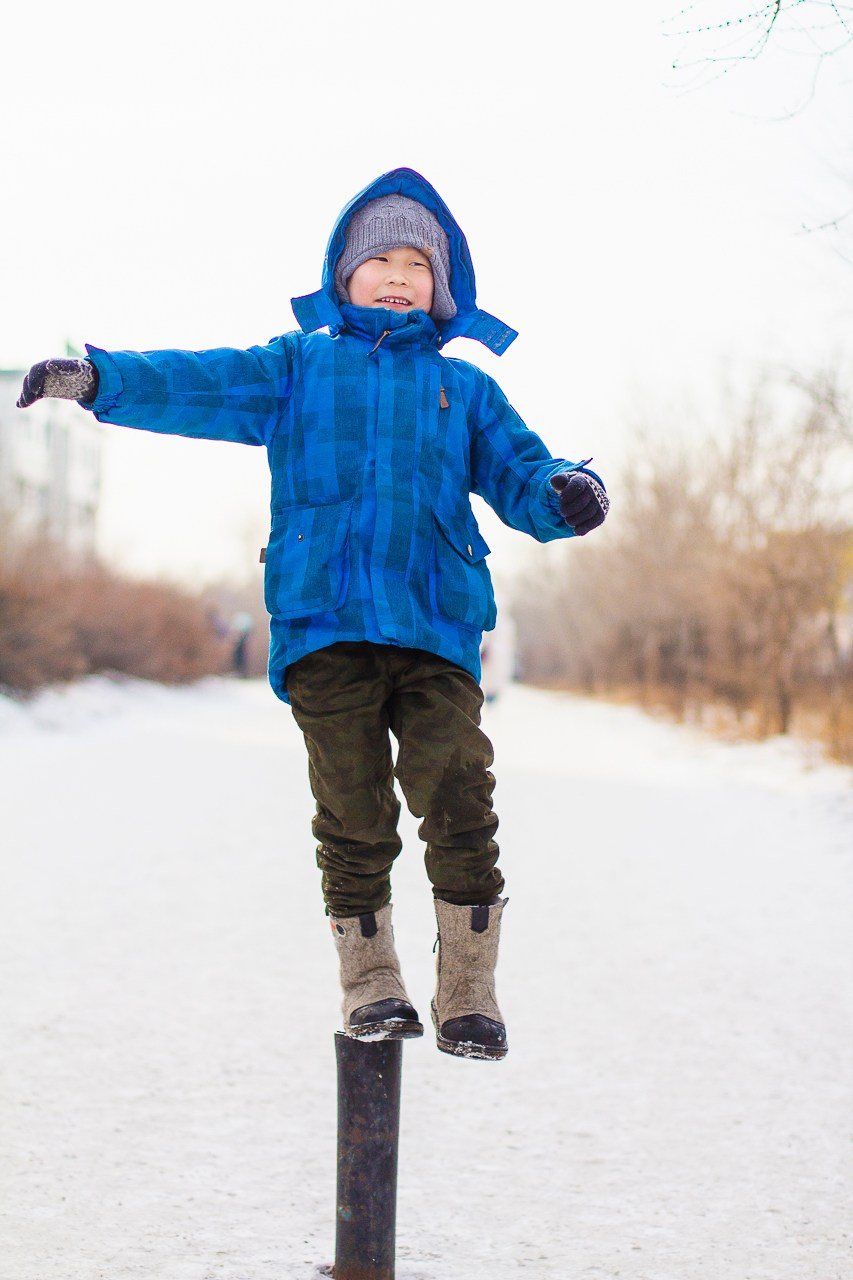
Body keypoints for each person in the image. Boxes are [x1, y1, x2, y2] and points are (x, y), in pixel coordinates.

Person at [16, 167, 609, 1061]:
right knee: (352, 809)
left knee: (457, 792)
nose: (399, 275)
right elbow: (199, 385)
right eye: (381, 261)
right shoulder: (297, 368)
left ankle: (468, 990)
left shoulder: (465, 390)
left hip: (436, 623)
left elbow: (525, 475)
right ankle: (371, 982)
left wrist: (565, 492)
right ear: (343, 275)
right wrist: (99, 379)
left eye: (417, 262)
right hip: (325, 623)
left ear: (440, 286)